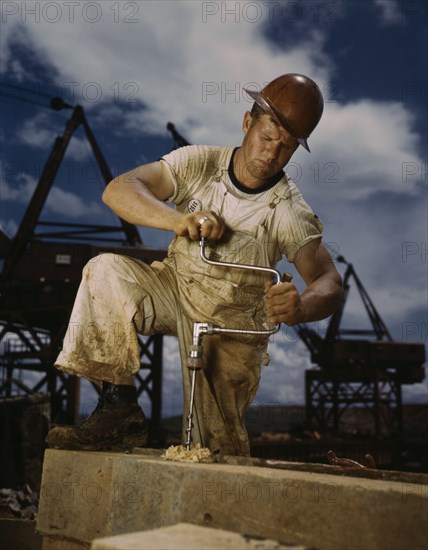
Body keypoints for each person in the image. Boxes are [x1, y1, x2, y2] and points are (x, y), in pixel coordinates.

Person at [46, 73, 343, 456]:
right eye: (267, 138)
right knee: (105, 271)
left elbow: (329, 281)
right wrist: (177, 220)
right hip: (174, 289)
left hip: (230, 326)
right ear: (247, 122)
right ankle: (119, 411)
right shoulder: (199, 163)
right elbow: (118, 189)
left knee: (214, 450)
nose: (271, 154)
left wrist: (302, 307)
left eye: (285, 148)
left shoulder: (287, 210)